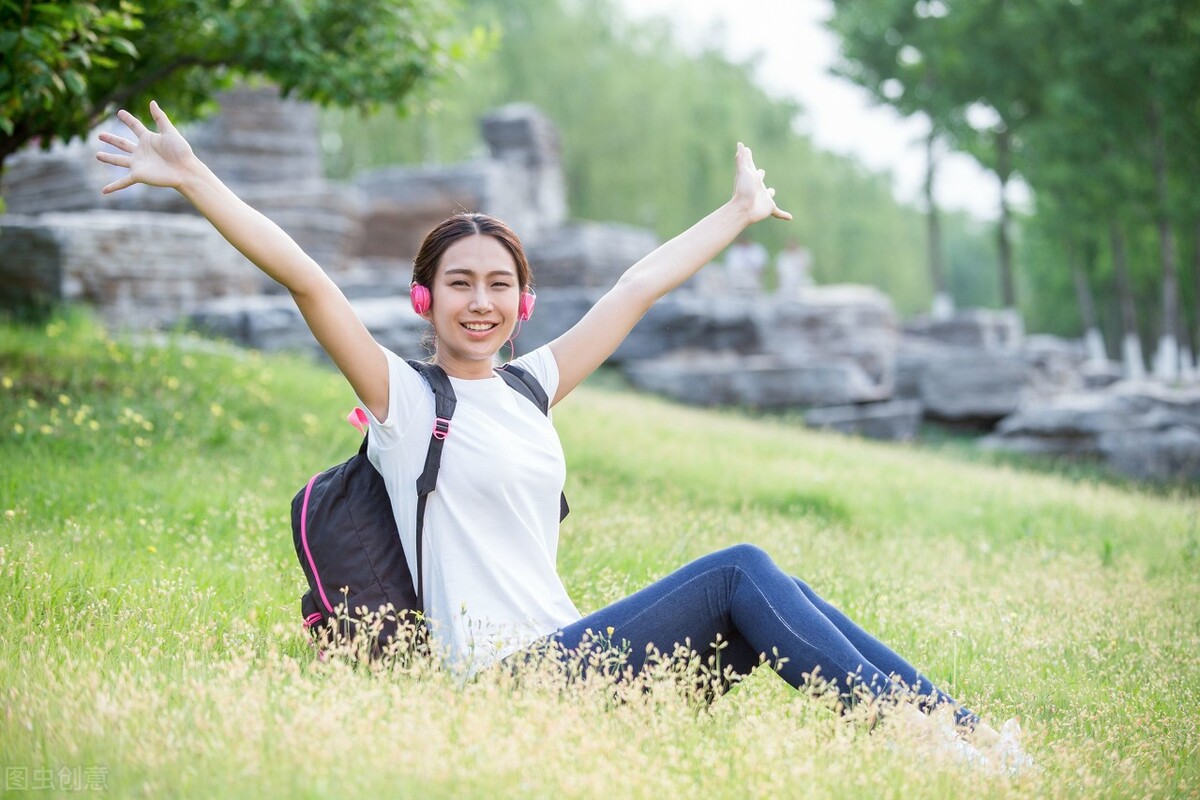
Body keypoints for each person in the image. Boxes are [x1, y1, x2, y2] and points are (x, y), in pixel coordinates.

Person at [96, 101, 1027, 768]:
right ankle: (922, 745)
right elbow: (308, 280)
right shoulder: (405, 402)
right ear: (424, 298)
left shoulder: (529, 387)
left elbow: (635, 287)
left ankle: (975, 737)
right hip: (508, 688)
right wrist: (196, 178)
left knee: (787, 593)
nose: (481, 301)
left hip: (578, 661)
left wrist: (738, 212)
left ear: (523, 301)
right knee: (741, 569)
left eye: (499, 284)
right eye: (460, 283)